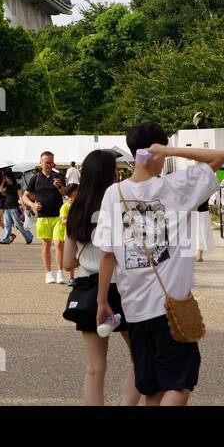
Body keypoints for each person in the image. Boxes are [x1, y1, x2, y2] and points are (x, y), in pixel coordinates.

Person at [94, 122, 224, 406]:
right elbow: (221, 157)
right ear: (155, 151)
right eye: (162, 153)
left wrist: (102, 301)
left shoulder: (112, 194)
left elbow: (107, 254)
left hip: (135, 308)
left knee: (152, 388)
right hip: (171, 307)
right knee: (179, 385)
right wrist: (167, 148)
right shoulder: (175, 187)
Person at [63, 149, 139, 406]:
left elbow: (66, 262)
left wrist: (87, 257)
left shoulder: (75, 211)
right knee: (140, 358)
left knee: (94, 368)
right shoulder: (121, 207)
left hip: (86, 288)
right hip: (122, 287)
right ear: (111, 175)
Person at [25, 151, 68, 284]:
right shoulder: (35, 178)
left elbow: (66, 193)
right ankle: (48, 273)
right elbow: (24, 196)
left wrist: (59, 186)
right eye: (46, 162)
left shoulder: (58, 176)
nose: (49, 165)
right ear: (41, 163)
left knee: (59, 243)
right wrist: (32, 205)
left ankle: (60, 272)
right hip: (43, 217)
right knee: (46, 244)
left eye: (51, 162)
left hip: (58, 215)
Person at [0, 169, 33, 244]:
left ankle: (29, 237)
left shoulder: (17, 185)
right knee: (7, 224)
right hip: (7, 207)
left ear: (9, 177)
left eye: (6, 178)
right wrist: (3, 182)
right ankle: (4, 239)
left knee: (18, 224)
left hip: (14, 207)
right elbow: (0, 190)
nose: (5, 179)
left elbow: (20, 196)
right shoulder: (7, 186)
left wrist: (23, 205)